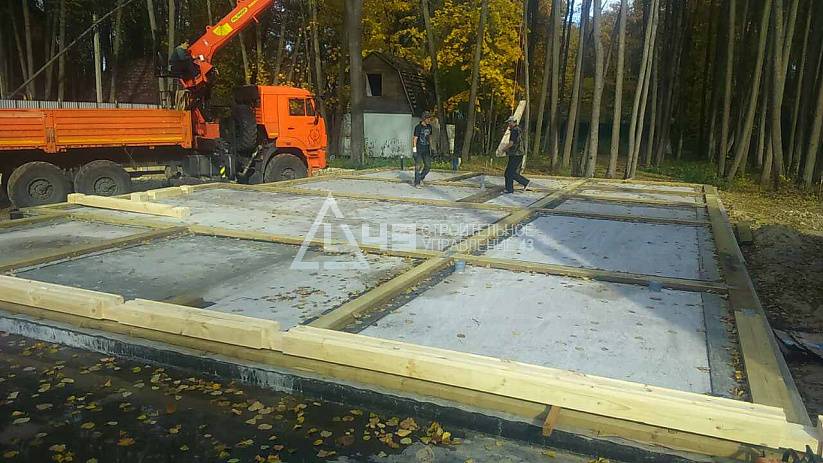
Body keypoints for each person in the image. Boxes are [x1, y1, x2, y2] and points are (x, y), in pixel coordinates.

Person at [502, 116, 530, 193]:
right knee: (511, 172)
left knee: (508, 173)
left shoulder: (514, 131)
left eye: (509, 122)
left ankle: (509, 189)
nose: (508, 124)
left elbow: (511, 143)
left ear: (513, 122)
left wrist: (503, 149)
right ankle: (525, 182)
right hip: (517, 154)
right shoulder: (518, 130)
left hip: (516, 154)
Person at [412, 112, 434, 188]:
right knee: (418, 166)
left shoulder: (430, 127)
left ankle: (420, 177)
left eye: (429, 118)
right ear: (424, 119)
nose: (429, 120)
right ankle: (417, 182)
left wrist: (432, 148)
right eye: (428, 118)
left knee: (428, 166)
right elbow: (415, 139)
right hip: (419, 149)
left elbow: (430, 138)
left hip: (426, 149)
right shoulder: (418, 127)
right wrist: (414, 150)